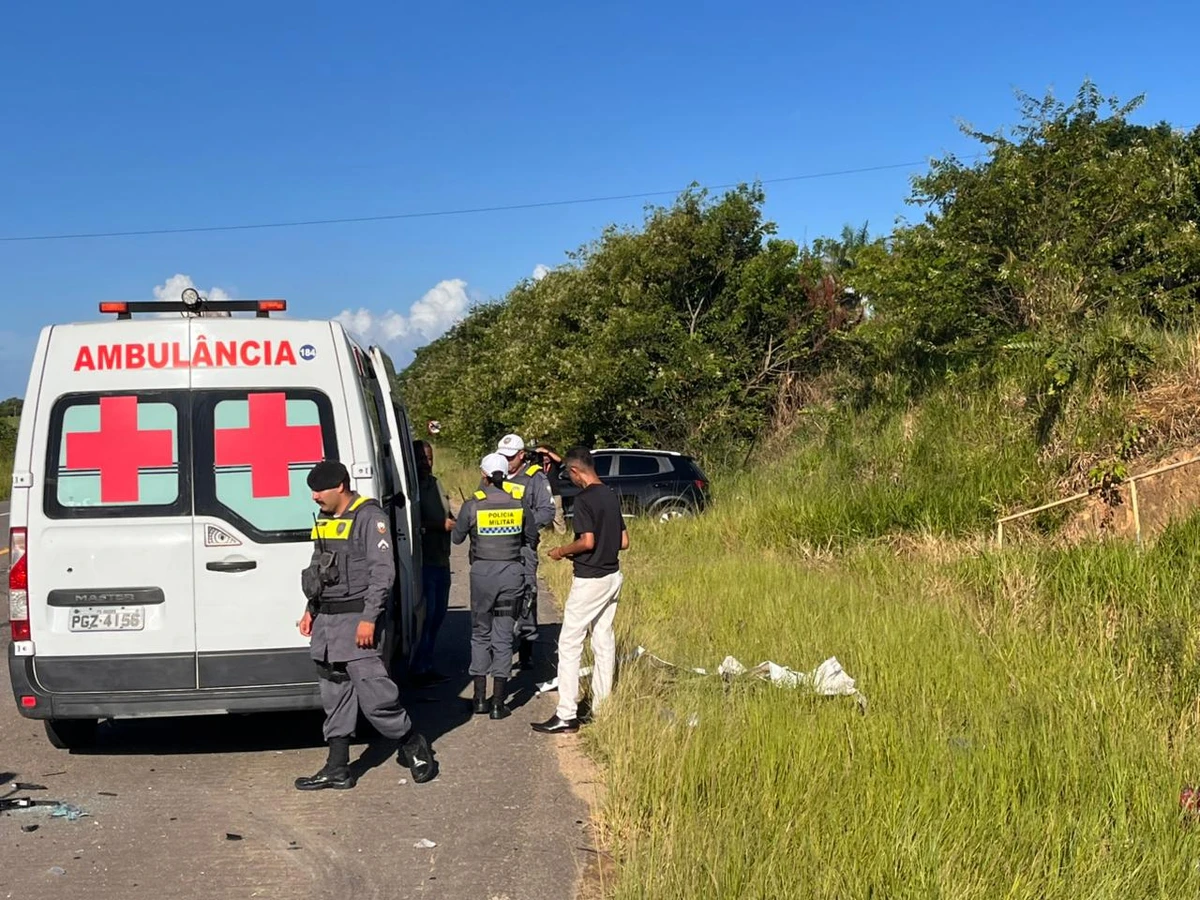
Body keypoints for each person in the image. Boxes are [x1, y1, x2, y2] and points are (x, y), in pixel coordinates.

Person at [295, 460, 436, 790]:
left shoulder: (369, 518)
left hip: (358, 621)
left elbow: (383, 575)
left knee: (376, 697)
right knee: (335, 695)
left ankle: (413, 745)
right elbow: (319, 569)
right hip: (328, 624)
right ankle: (337, 768)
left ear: (341, 486)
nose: (315, 497)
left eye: (320, 491)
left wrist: (369, 619)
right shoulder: (327, 520)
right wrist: (310, 609)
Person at [532, 447, 629, 735]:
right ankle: (603, 706)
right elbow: (623, 541)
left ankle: (566, 713)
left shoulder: (585, 498)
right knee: (603, 639)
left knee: (570, 643)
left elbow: (586, 541)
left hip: (590, 579)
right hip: (613, 575)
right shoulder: (610, 495)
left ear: (576, 471)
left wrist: (562, 550)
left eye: (570, 476)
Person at [451, 452, 540, 718]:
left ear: (484, 475)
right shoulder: (518, 503)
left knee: (480, 635)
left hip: (482, 575)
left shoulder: (473, 505)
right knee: (503, 636)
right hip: (511, 574)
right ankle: (499, 704)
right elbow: (531, 537)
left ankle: (479, 700)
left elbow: (457, 539)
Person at [496, 433, 556, 670]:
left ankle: (527, 647)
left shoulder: (534, 478)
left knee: (526, 595)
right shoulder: (493, 473)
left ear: (521, 455)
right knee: (497, 597)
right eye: (503, 456)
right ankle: (498, 646)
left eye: (510, 457)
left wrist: (522, 524)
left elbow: (547, 511)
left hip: (522, 546)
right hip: (496, 548)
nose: (506, 461)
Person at [411, 440, 455, 686]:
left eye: (428, 458)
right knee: (426, 617)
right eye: (420, 458)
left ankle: (427, 662)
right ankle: (419, 667)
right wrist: (439, 526)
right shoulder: (412, 488)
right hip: (424, 559)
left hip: (442, 557)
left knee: (438, 615)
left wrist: (450, 519)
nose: (425, 463)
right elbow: (410, 523)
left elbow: (444, 510)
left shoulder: (436, 483)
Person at [535, 445, 570, 535]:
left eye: (547, 456)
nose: (546, 458)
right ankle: (543, 534)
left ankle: (562, 535)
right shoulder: (538, 465)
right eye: (543, 456)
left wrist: (547, 451)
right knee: (541, 514)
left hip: (554, 493)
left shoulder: (555, 464)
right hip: (542, 494)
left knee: (558, 515)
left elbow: (559, 460)